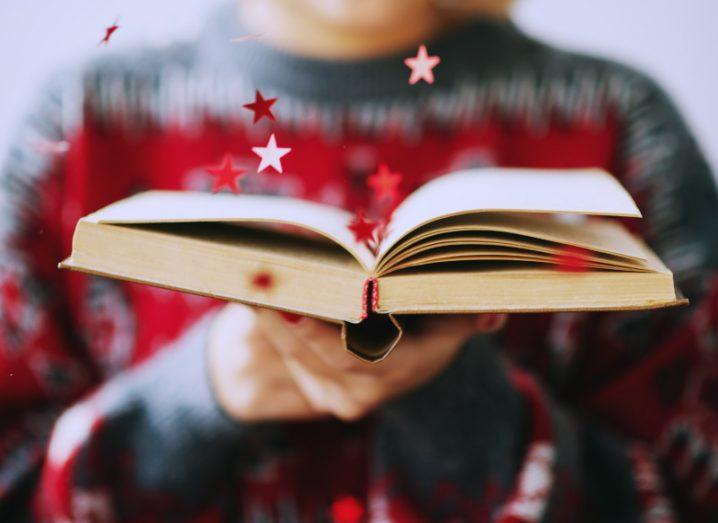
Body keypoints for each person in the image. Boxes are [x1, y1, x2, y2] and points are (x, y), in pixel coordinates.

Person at [1, 0, 716, 521]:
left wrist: (459, 401)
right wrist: (198, 395)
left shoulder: (620, 124)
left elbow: (689, 488)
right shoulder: (84, 122)